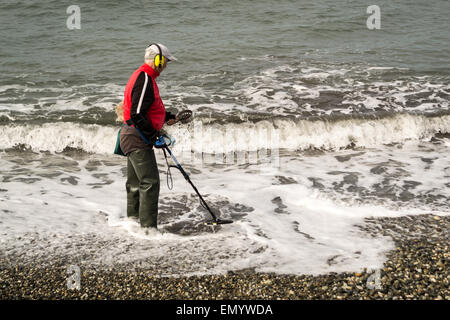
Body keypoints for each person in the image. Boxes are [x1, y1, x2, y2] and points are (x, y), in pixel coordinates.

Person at [119, 43, 179, 229]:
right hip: (136, 137)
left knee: (136, 182)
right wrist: (154, 136)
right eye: (165, 61)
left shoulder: (143, 76)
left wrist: (168, 117)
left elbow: (144, 110)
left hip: (131, 134)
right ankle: (148, 229)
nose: (166, 66)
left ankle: (132, 221)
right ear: (158, 60)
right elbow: (137, 114)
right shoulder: (144, 78)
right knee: (150, 182)